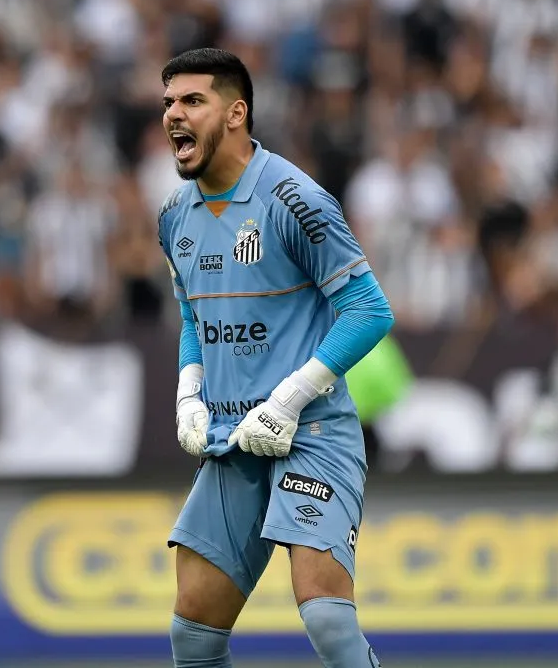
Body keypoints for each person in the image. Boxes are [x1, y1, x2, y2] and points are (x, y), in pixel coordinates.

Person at [156, 48, 393, 668]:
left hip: (310, 433)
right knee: (193, 635)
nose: (174, 115)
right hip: (232, 441)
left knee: (327, 619)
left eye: (192, 101)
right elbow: (193, 317)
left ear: (236, 114)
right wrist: (188, 393)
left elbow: (369, 311)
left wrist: (287, 401)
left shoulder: (294, 199)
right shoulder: (173, 217)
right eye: (169, 103)